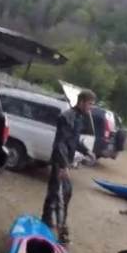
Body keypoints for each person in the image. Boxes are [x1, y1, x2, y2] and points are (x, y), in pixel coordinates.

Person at [41, 89, 96, 244]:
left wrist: (87, 151)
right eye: (90, 104)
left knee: (54, 192)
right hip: (60, 161)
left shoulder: (79, 118)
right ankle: (62, 232)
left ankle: (46, 220)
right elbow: (60, 144)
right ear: (82, 101)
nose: (91, 107)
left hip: (64, 161)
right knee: (62, 194)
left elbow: (74, 141)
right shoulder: (67, 117)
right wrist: (63, 166)